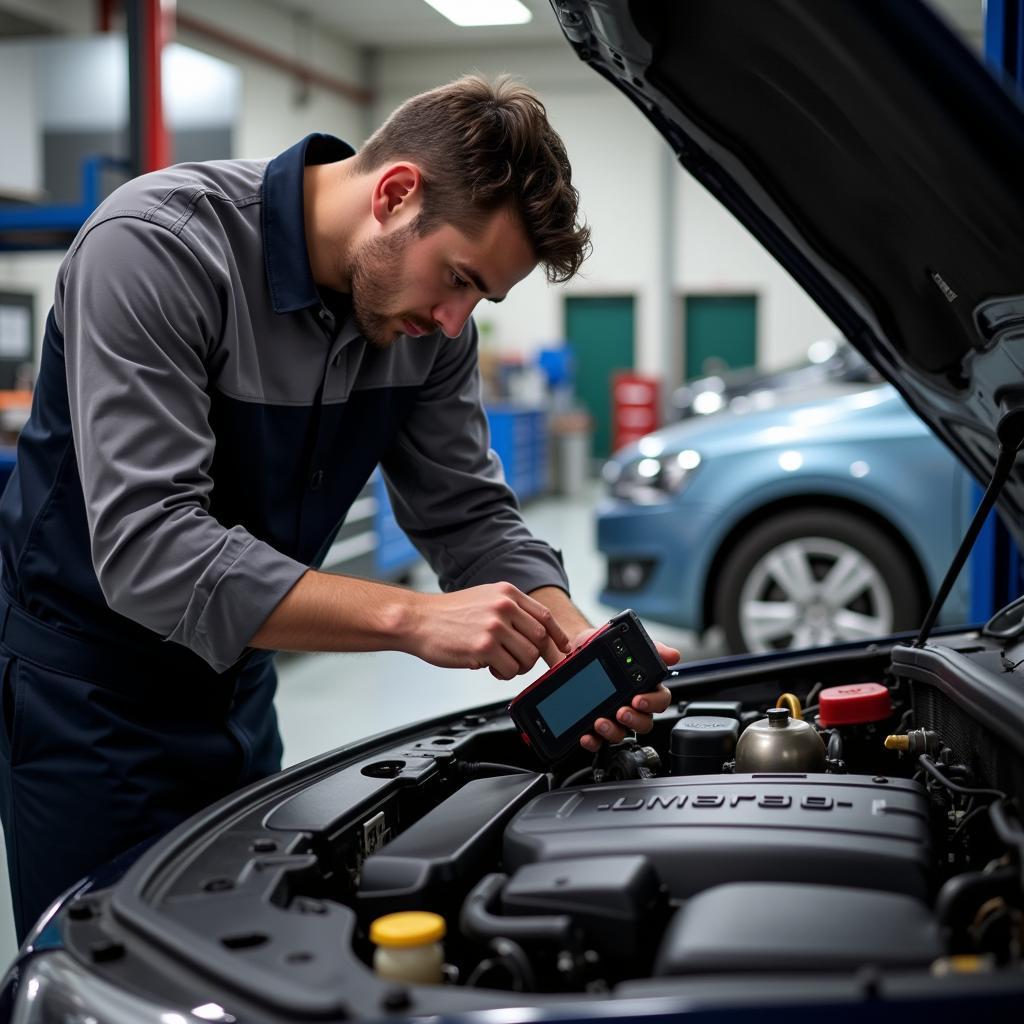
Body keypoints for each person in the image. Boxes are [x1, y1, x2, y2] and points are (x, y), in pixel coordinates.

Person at [0, 75, 676, 941]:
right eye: (458, 278)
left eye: (479, 300)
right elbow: (152, 551)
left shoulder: (429, 327)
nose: (452, 318)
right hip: (88, 694)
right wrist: (412, 618)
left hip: (240, 683)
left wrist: (567, 638)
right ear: (396, 194)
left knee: (245, 944)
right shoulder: (157, 248)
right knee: (107, 969)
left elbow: (468, 513)